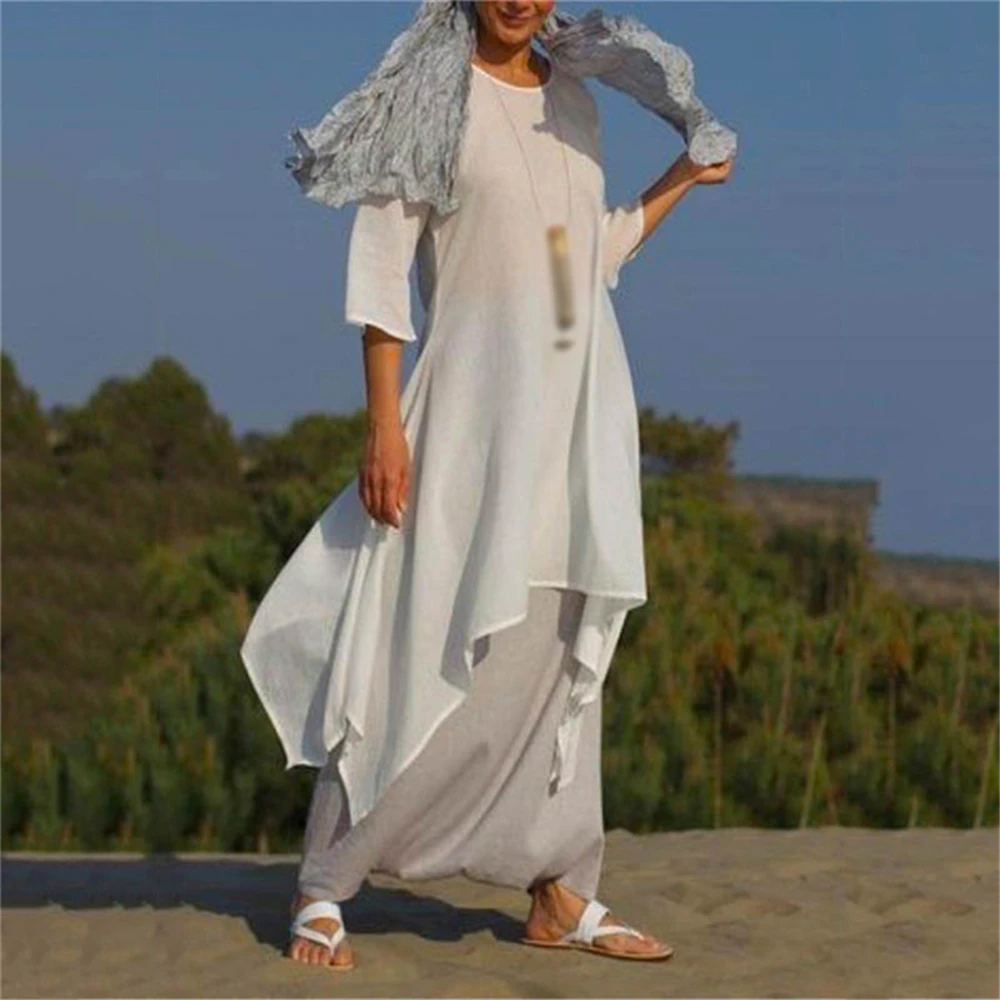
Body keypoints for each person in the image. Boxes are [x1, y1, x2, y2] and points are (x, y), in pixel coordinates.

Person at [254, 0, 732, 972]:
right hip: (471, 411)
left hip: (576, 409)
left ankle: (558, 886)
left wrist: (682, 175)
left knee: (554, 646)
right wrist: (383, 424)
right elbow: (382, 272)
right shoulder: (426, 97)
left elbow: (576, 262)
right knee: (415, 635)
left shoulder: (574, 104)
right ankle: (325, 882)